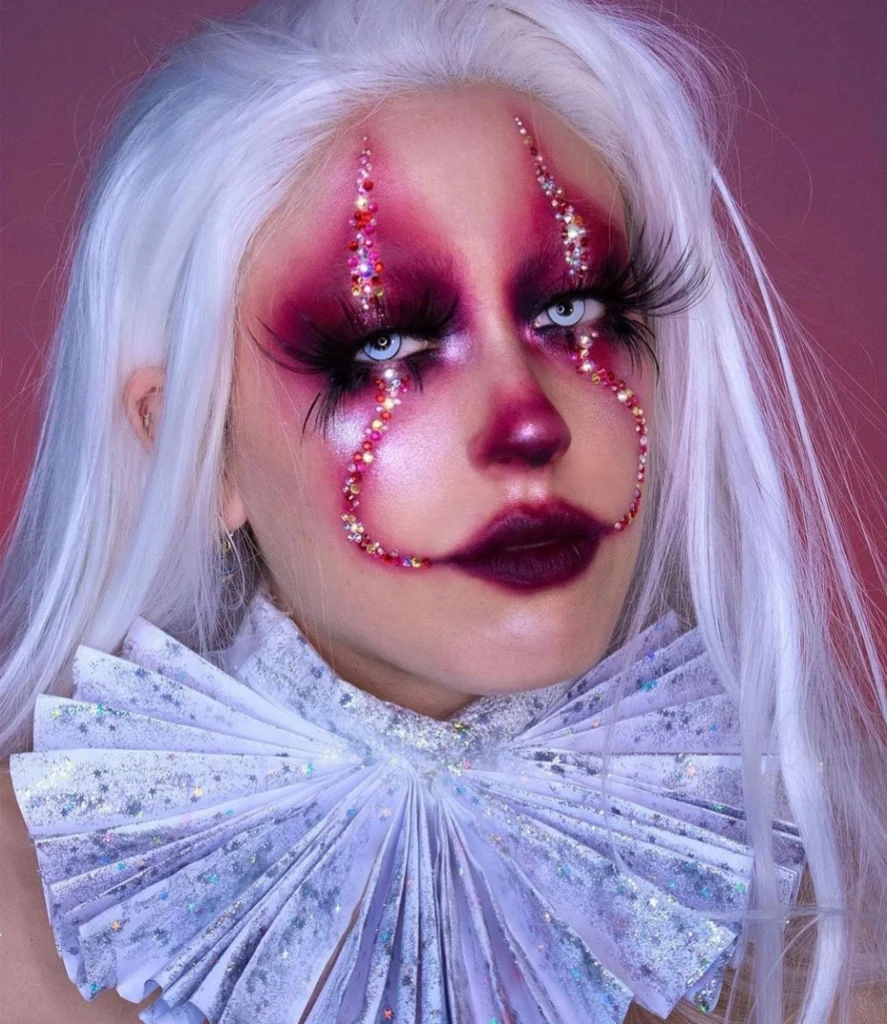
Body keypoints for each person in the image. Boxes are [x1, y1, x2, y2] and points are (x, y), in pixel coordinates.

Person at [0, 0, 885, 1021]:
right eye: (383, 346)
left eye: (571, 311)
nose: (526, 422)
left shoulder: (823, 893)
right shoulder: (23, 908)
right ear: (192, 452)